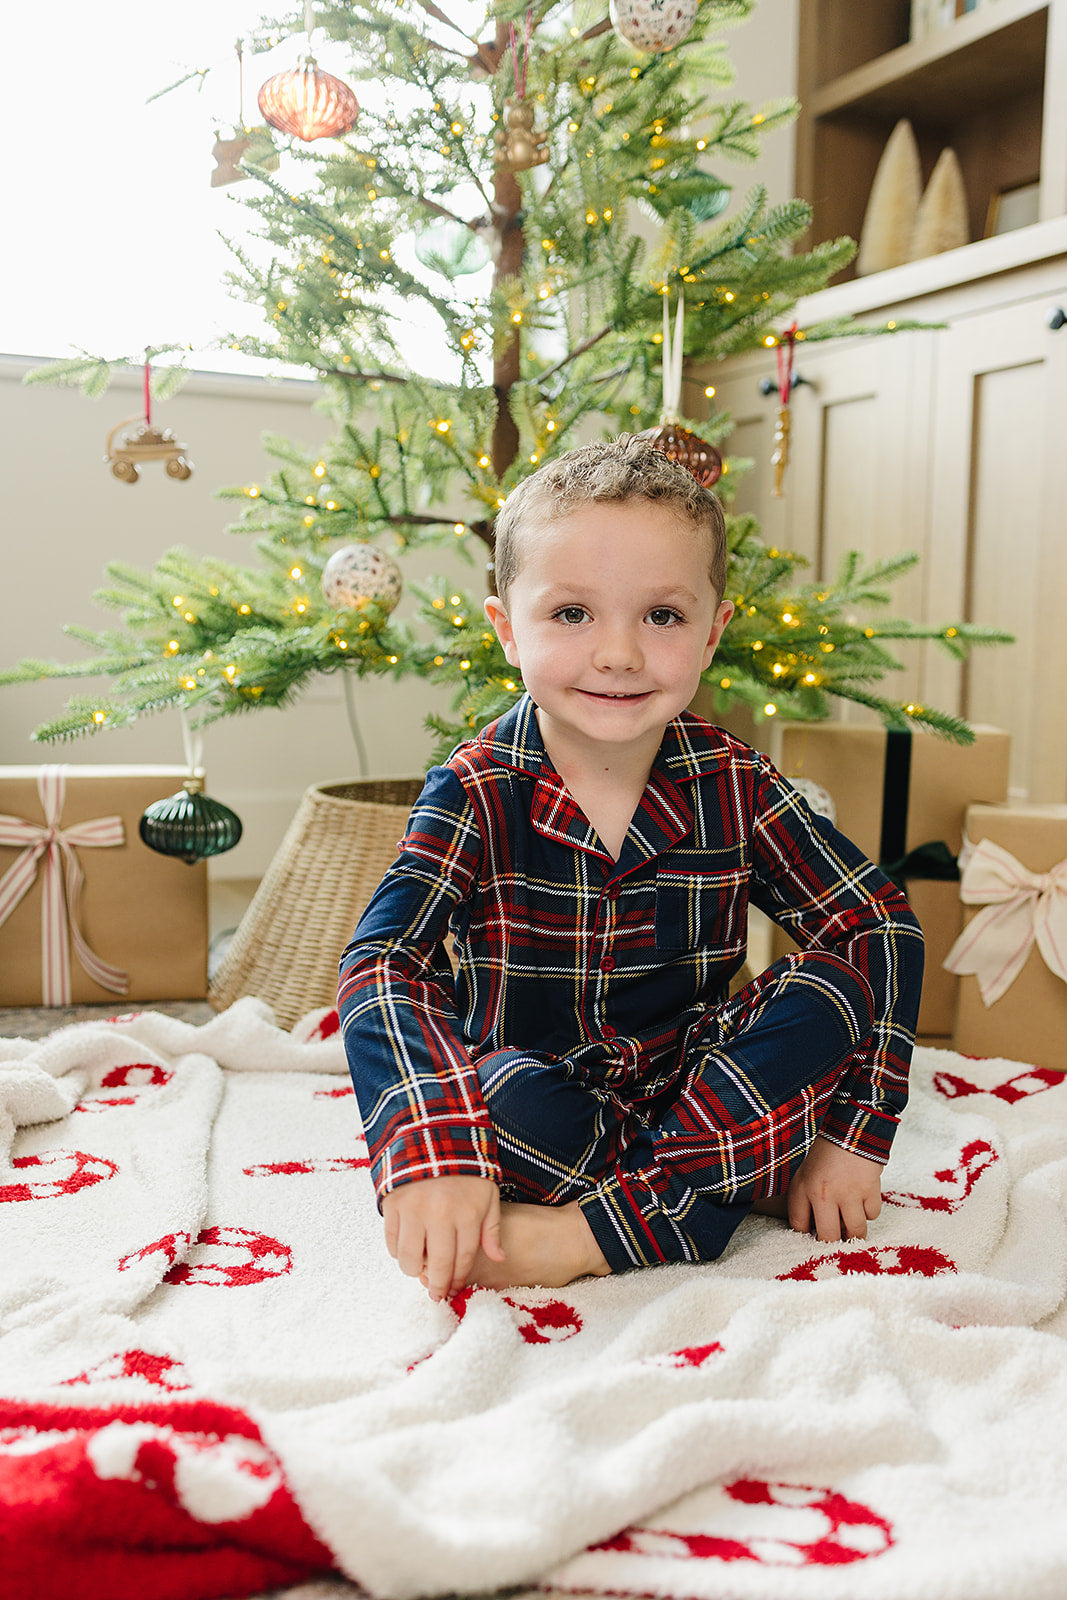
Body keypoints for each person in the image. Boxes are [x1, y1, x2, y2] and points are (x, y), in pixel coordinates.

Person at [338, 435, 924, 1304]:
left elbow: (876, 926)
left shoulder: (735, 780)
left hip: (704, 1076)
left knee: (831, 991)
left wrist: (851, 1138)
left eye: (661, 616)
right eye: (572, 614)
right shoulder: (471, 788)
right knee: (489, 1094)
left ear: (712, 631)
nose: (618, 652)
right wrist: (435, 1152)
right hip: (545, 1099)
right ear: (506, 628)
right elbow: (385, 964)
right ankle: (717, 1187)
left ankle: (596, 1233)